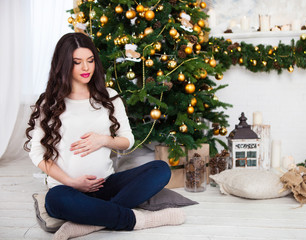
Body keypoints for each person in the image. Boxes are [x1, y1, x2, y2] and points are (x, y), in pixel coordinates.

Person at [24, 32, 185, 240]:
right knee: (55, 200)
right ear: (63, 65)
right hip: (67, 189)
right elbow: (37, 153)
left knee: (160, 169)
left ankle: (92, 222)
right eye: (77, 62)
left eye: (90, 60)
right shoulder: (49, 102)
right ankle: (137, 220)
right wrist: (72, 183)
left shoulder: (109, 97)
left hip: (106, 184)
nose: (86, 68)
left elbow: (127, 141)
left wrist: (103, 139)